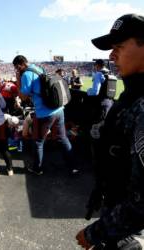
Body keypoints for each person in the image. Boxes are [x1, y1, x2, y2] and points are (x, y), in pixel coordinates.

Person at [76, 13, 144, 249]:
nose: (111, 55)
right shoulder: (132, 92)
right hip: (116, 213)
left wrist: (97, 232)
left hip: (129, 232)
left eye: (119, 47)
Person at [12, 55, 77, 175]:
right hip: (58, 109)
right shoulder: (39, 68)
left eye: (17, 68)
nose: (17, 70)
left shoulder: (26, 74)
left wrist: (18, 80)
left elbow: (23, 96)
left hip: (44, 113)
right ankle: (73, 167)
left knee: (38, 141)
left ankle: (38, 169)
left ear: (20, 64)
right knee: (63, 138)